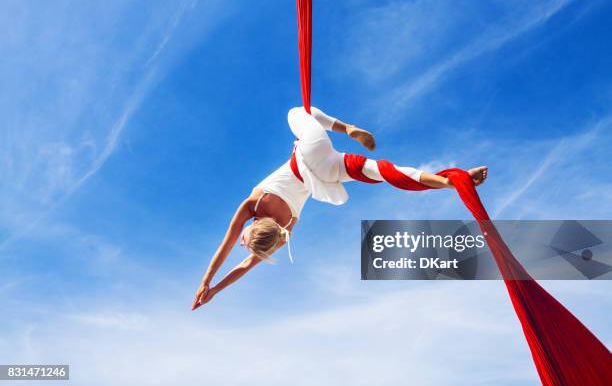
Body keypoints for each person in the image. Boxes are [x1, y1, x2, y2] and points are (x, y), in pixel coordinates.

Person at [191, 106, 488, 310]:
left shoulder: (284, 233)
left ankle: (452, 182)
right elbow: (225, 247)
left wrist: (214, 291)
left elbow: (243, 265)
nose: (241, 244)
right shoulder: (253, 205)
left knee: (386, 172)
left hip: (327, 176)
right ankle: (347, 128)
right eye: (247, 240)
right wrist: (206, 282)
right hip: (310, 154)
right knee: (299, 112)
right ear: (255, 227)